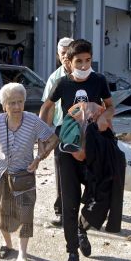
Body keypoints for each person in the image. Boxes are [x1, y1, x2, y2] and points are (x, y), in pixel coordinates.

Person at [39, 39, 116, 261]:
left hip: (93, 147)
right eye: (78, 61)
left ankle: (83, 228)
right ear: (69, 64)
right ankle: (72, 254)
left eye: (87, 60)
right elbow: (46, 107)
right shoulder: (62, 83)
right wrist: (46, 133)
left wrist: (105, 117)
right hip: (68, 148)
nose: (84, 65)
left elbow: (111, 106)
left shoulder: (99, 81)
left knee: (101, 196)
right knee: (69, 203)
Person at [0, 83, 58, 261]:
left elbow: (53, 138)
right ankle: (7, 245)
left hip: (23, 175)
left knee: (26, 213)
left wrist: (39, 157)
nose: (16, 107)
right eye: (12, 103)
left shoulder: (32, 120)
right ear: (4, 105)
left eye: (20, 102)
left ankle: (23, 254)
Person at [39, 36, 73, 227]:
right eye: (62, 54)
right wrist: (44, 136)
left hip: (84, 129)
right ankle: (61, 212)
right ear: (58, 56)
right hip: (63, 129)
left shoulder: (87, 74)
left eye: (69, 53)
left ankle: (91, 209)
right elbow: (48, 108)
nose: (66, 58)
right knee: (62, 172)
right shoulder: (55, 78)